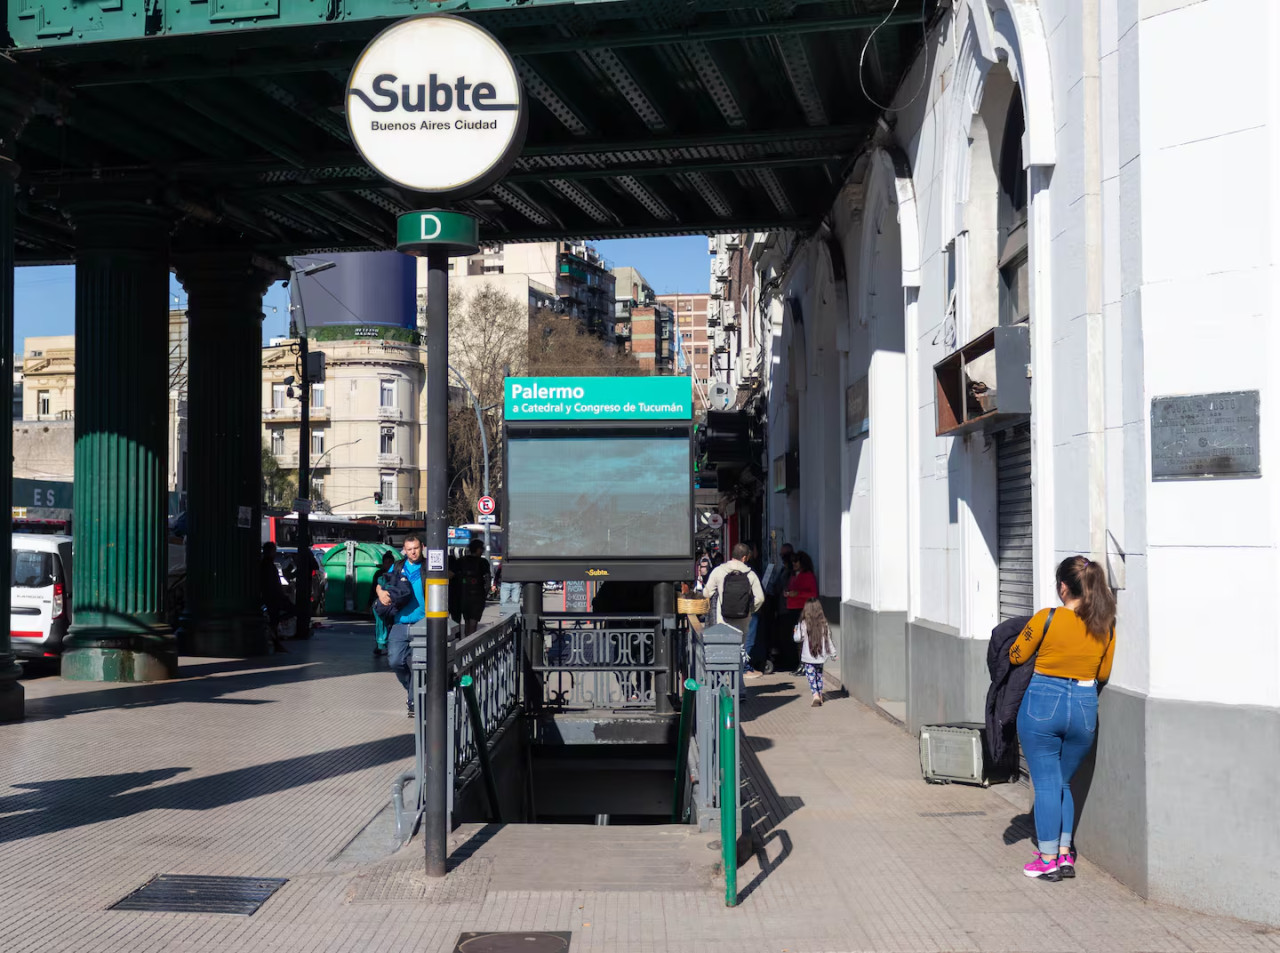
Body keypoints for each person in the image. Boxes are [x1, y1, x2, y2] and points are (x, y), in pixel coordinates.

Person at [1009, 555, 1117, 882]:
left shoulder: (1048, 617)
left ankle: (1047, 859)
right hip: (1084, 705)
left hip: (1043, 703)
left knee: (1046, 785)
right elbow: (1103, 673)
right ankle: (1065, 853)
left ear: (1063, 587)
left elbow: (1017, 655)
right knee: (1062, 782)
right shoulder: (1106, 626)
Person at [375, 536, 426, 718]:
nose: (413, 552)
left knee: (418, 664)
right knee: (395, 661)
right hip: (400, 622)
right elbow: (381, 584)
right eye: (409, 549)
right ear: (404, 550)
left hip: (423, 623)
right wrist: (381, 593)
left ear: (422, 547)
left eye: (416, 548)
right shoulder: (397, 567)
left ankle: (413, 702)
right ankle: (411, 688)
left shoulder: (428, 567)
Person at [702, 543, 765, 678]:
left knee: (723, 649)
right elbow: (760, 598)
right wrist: (750, 609)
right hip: (743, 619)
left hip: (723, 618)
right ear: (744, 558)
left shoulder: (719, 571)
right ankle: (739, 684)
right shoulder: (750, 574)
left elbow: (706, 593)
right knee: (740, 649)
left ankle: (721, 681)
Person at [792, 598, 837, 706]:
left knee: (811, 676)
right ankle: (820, 695)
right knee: (819, 675)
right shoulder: (824, 624)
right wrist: (833, 654)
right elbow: (828, 640)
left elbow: (797, 639)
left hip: (808, 656)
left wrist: (796, 630)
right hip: (820, 656)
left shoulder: (803, 624)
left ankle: (815, 695)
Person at [782, 551, 818, 674]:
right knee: (796, 638)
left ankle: (805, 664)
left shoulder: (808, 575)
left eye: (796, 561)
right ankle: (800, 663)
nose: (794, 563)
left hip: (803, 609)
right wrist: (787, 593)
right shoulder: (793, 575)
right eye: (792, 561)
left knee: (804, 638)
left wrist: (798, 593)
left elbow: (813, 593)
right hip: (792, 609)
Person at [454, 539, 492, 636]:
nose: (482, 551)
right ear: (478, 549)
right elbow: (487, 580)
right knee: (473, 623)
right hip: (477, 596)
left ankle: (466, 640)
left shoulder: (461, 561)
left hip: (463, 595)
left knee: (467, 621)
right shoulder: (483, 562)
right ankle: (470, 641)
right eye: (481, 549)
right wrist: (485, 594)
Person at [260, 542, 291, 653]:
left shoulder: (265, 564)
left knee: (275, 619)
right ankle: (274, 639)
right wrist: (281, 595)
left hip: (271, 596)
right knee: (276, 618)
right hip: (273, 597)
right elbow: (272, 583)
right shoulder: (268, 566)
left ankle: (274, 638)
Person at [371, 550, 396, 657]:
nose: (388, 564)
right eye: (386, 562)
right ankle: (380, 645)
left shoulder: (396, 573)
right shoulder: (379, 574)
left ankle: (384, 645)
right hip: (380, 605)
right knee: (380, 625)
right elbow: (373, 589)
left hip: (391, 604)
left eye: (390, 562)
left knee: (389, 625)